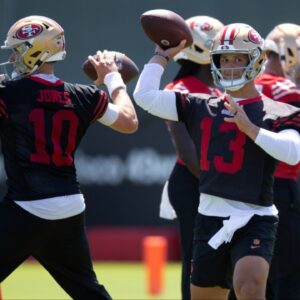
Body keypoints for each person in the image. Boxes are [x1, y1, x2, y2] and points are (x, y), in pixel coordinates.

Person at [134, 22, 300, 300]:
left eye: (238, 58)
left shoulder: (278, 111)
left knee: (249, 288)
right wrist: (161, 55)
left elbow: (293, 152)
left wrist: (253, 130)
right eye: (225, 59)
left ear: (256, 60)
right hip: (209, 216)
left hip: (255, 217)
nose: (231, 66)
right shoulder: (201, 104)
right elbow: (144, 96)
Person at [0, 15, 138, 299]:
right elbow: (129, 122)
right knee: (90, 293)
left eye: (18, 49)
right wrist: (113, 78)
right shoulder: (84, 95)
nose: (13, 56)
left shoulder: (10, 94)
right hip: (69, 209)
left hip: (26, 206)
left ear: (35, 51)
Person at [159, 15, 224, 300]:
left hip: (218, 181)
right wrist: (221, 185)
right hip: (196, 181)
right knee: (197, 260)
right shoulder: (181, 89)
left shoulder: (217, 88)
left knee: (224, 259)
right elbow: (187, 151)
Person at [254, 23, 300, 300]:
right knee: (289, 276)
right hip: (281, 187)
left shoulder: (250, 86)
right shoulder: (287, 90)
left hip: (247, 188)